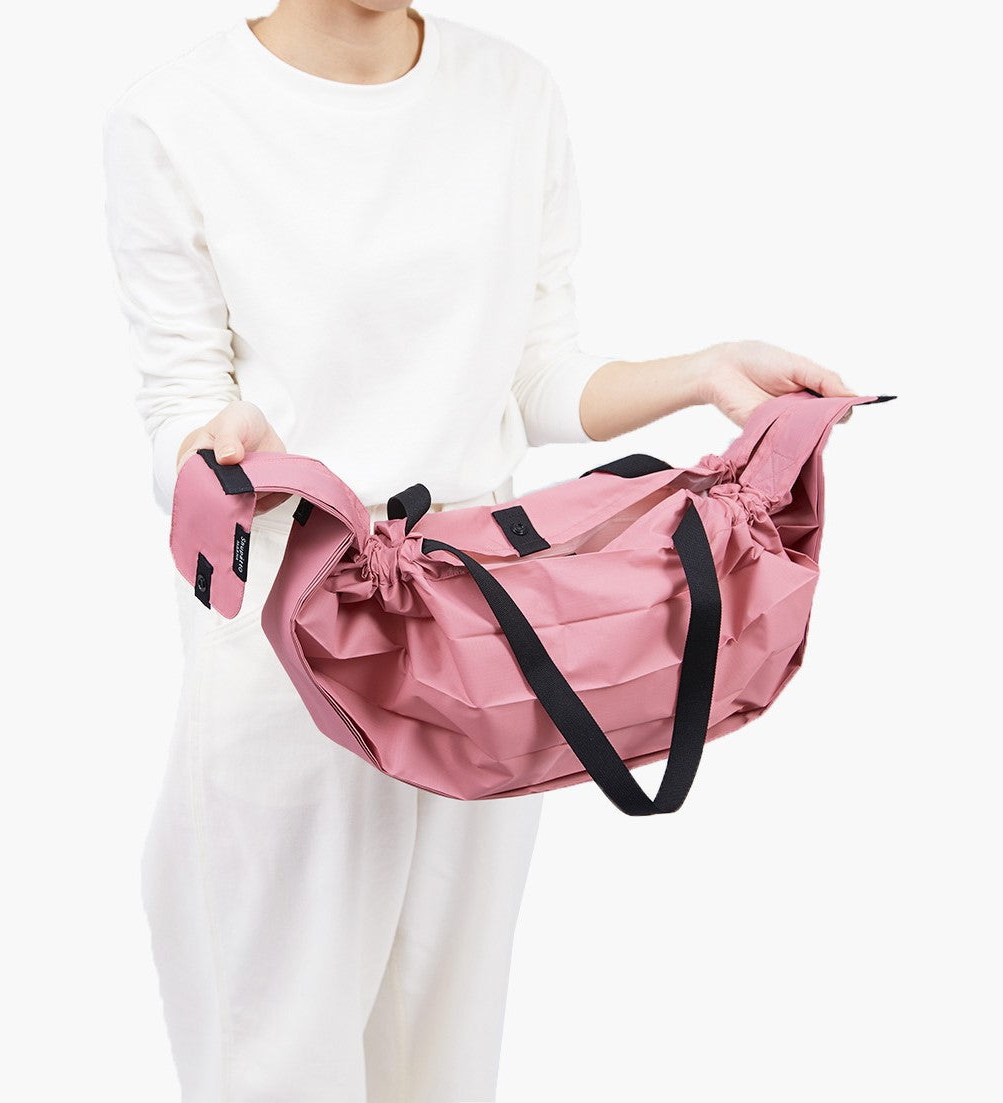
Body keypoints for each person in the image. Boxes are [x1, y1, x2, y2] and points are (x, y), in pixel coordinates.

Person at [102, 4, 858, 1099]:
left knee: (444, 1053)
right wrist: (216, 451)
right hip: (291, 646)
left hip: (480, 640)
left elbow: (535, 373)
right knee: (273, 1051)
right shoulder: (174, 116)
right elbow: (180, 404)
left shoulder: (511, 91)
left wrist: (702, 371)